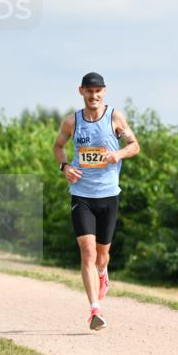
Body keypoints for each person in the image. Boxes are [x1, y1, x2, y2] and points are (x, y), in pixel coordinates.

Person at [52, 72, 140, 330]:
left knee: (102, 257)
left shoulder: (115, 117)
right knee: (87, 252)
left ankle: (103, 274)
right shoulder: (72, 121)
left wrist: (118, 154)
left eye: (98, 91)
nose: (94, 95)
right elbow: (58, 147)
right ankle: (94, 311)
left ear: (104, 91)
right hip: (81, 195)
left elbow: (134, 145)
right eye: (89, 91)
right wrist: (64, 167)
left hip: (109, 195)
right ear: (81, 91)